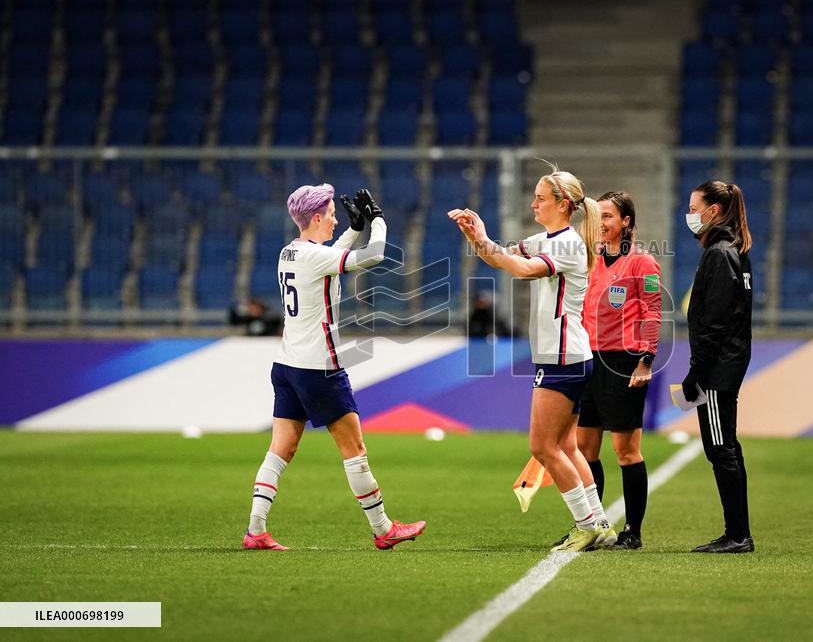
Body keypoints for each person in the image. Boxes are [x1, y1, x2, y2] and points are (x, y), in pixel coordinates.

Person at [242, 184, 426, 551]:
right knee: (354, 448)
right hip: (319, 368)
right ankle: (383, 528)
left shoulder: (290, 252)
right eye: (330, 214)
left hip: (287, 365)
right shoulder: (314, 257)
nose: (334, 218)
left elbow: (330, 255)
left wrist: (353, 230)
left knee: (281, 449)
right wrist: (378, 222)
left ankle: (256, 530)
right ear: (315, 217)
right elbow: (373, 256)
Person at [449, 167, 612, 552]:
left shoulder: (566, 245)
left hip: (562, 358)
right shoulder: (551, 239)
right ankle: (600, 523)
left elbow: (521, 269)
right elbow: (501, 258)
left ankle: (585, 526)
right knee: (568, 446)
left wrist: (490, 244)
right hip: (569, 355)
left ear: (563, 205)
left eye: (540, 198)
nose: (533, 203)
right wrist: (479, 237)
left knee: (543, 447)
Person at [574, 191, 661, 550]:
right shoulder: (589, 260)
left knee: (626, 451)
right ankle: (595, 525)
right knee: (585, 448)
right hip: (586, 360)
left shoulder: (643, 263)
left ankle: (633, 532)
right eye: (599, 217)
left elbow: (653, 312)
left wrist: (646, 359)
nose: (602, 223)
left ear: (626, 222)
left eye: (608, 216)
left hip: (624, 361)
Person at [681, 180, 754, 554]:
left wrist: (697, 371)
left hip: (718, 366)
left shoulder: (720, 253)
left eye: (694, 208)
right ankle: (738, 532)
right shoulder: (732, 250)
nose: (689, 215)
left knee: (720, 447)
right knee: (727, 447)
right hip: (728, 361)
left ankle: (738, 534)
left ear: (713, 211)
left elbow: (716, 321)